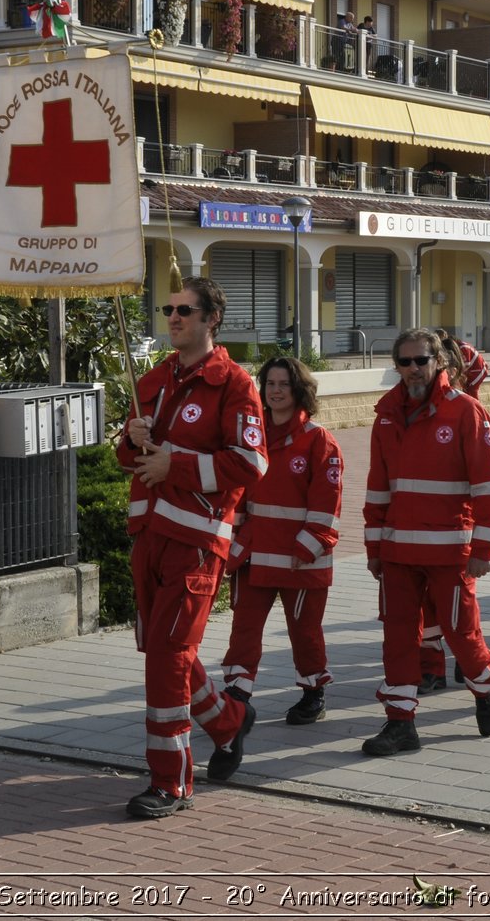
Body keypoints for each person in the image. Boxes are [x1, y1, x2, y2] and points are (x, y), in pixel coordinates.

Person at [116, 277, 267, 818]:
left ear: (211, 318)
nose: (173, 317)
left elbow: (250, 465)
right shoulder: (156, 378)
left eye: (185, 310)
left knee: (168, 658)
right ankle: (230, 722)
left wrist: (173, 464)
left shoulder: (235, 384)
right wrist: (131, 441)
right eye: (168, 307)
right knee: (162, 650)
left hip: (197, 543)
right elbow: (129, 460)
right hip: (149, 536)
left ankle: (172, 783)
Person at [361, 328, 490, 757]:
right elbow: (377, 489)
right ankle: (400, 723)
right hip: (398, 554)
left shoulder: (466, 412)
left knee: (463, 635)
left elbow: (488, 489)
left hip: (450, 552)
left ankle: (484, 688)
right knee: (398, 639)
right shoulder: (386, 414)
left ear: (439, 361)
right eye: (403, 362)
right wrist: (373, 549)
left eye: (420, 360)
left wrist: (482, 551)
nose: (412, 370)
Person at [219, 357, 343, 727]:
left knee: (304, 633)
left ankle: (312, 694)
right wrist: (232, 542)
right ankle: (237, 695)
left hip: (300, 559)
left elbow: (327, 504)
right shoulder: (251, 439)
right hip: (255, 556)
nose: (274, 391)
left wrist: (308, 545)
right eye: (269, 383)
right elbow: (237, 493)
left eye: (283, 384)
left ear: (299, 390)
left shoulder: (319, 440)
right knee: (243, 629)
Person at [415, 331, 490, 688]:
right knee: (426, 606)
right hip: (418, 529)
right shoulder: (413, 409)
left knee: (461, 605)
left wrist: (451, 338)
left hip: (457, 528)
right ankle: (432, 666)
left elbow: (479, 364)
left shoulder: (468, 406)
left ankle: (470, 658)